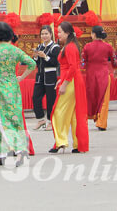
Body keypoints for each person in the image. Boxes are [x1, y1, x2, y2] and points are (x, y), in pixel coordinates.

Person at [0, 22, 36, 167]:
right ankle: (2, 154)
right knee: (15, 119)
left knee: (1, 120)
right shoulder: (15, 50)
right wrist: (22, 77)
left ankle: (19, 150)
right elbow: (32, 63)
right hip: (14, 87)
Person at [49, 21, 89, 154]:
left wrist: (64, 84)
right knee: (73, 114)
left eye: (60, 32)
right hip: (71, 80)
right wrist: (61, 80)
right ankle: (77, 144)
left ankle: (60, 141)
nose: (58, 34)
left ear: (67, 33)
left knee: (58, 112)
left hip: (71, 81)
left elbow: (72, 67)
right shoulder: (69, 45)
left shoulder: (70, 47)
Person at [82, 26, 117, 131]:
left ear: (93, 34)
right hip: (104, 75)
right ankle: (101, 123)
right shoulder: (108, 46)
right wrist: (116, 70)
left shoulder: (87, 47)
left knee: (92, 96)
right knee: (104, 99)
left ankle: (93, 116)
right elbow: (114, 61)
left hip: (91, 75)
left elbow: (83, 62)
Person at [31, 24, 61, 131]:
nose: (44, 36)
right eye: (42, 34)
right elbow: (37, 63)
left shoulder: (55, 47)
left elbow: (56, 62)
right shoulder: (40, 46)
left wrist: (45, 57)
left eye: (46, 34)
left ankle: (50, 121)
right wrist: (35, 56)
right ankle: (40, 119)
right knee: (35, 97)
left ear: (51, 34)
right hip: (40, 75)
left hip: (50, 75)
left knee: (50, 99)